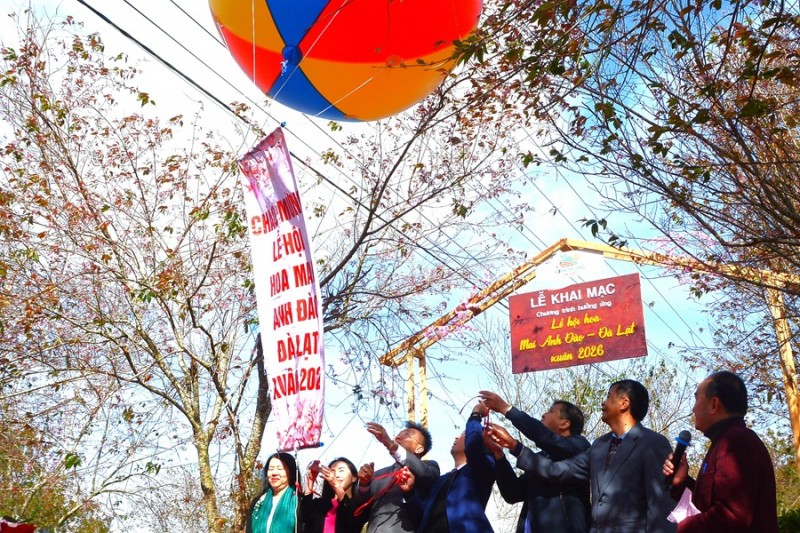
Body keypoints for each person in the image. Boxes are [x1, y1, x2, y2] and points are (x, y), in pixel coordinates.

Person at [488, 379, 676, 533]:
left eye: (609, 397)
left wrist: (507, 410)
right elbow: (556, 471)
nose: (603, 403)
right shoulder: (599, 446)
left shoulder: (652, 443)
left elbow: (661, 505)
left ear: (624, 403)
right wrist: (514, 447)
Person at [662, 371, 778, 532]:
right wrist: (682, 482)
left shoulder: (737, 442)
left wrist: (682, 528)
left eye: (696, 399)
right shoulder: (725, 441)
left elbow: (731, 516)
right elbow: (707, 505)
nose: (693, 409)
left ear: (713, 405)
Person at [479, 391, 590, 533]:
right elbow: (513, 493)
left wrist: (506, 409)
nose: (543, 415)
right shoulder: (539, 460)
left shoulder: (580, 447)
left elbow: (547, 439)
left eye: (550, 411)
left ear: (564, 424)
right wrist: (499, 454)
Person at [399, 402, 496, 533]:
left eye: (464, 434)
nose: (457, 437)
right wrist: (410, 492)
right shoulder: (441, 480)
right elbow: (421, 518)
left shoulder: (483, 470)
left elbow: (473, 446)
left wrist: (476, 413)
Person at [357, 421, 440, 533]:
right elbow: (361, 505)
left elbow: (425, 473)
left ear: (419, 449)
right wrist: (364, 484)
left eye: (407, 434)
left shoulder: (429, 467)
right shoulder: (378, 474)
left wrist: (391, 445)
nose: (398, 437)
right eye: (399, 434)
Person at [299, 457, 368, 533]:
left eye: (341, 470)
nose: (336, 475)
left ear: (354, 478)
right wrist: (311, 480)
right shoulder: (320, 504)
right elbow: (303, 516)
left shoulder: (359, 506)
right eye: (332, 471)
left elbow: (352, 519)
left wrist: (337, 486)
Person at [247, 452, 299, 533]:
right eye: (271, 469)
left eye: (280, 468)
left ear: (291, 473)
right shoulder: (258, 503)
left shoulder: (298, 501)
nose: (274, 473)